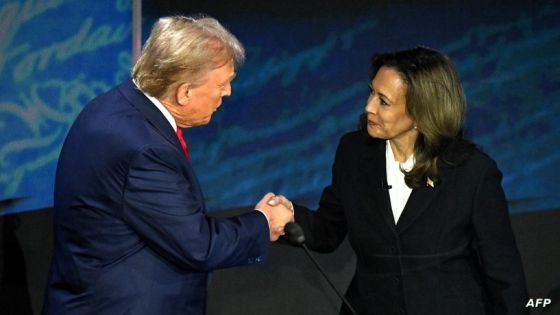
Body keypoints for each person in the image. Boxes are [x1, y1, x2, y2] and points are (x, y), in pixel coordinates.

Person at [43, 15, 293, 315]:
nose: (227, 93)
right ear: (184, 91)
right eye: (223, 83)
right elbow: (198, 246)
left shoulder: (118, 105)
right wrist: (264, 223)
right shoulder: (144, 148)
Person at [271, 46, 528, 314]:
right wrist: (291, 217)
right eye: (371, 92)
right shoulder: (354, 153)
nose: (368, 106)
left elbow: (503, 272)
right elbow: (329, 229)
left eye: (383, 100)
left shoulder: (472, 171)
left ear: (420, 111)